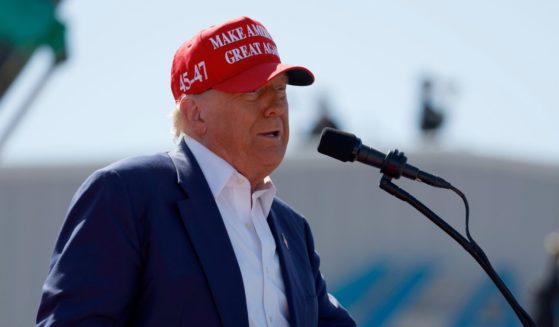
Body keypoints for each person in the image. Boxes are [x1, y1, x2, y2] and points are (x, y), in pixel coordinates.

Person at [36, 16, 355, 326]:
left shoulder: (292, 229)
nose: (274, 107)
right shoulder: (126, 194)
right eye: (252, 91)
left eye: (281, 91)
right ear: (195, 114)